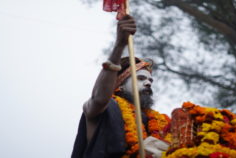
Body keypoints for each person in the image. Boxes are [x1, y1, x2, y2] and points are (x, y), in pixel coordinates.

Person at [71, 15, 171, 158]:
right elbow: (99, 99)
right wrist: (119, 45)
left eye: (150, 80)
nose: (148, 83)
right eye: (141, 78)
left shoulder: (161, 122)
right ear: (120, 85)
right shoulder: (105, 109)